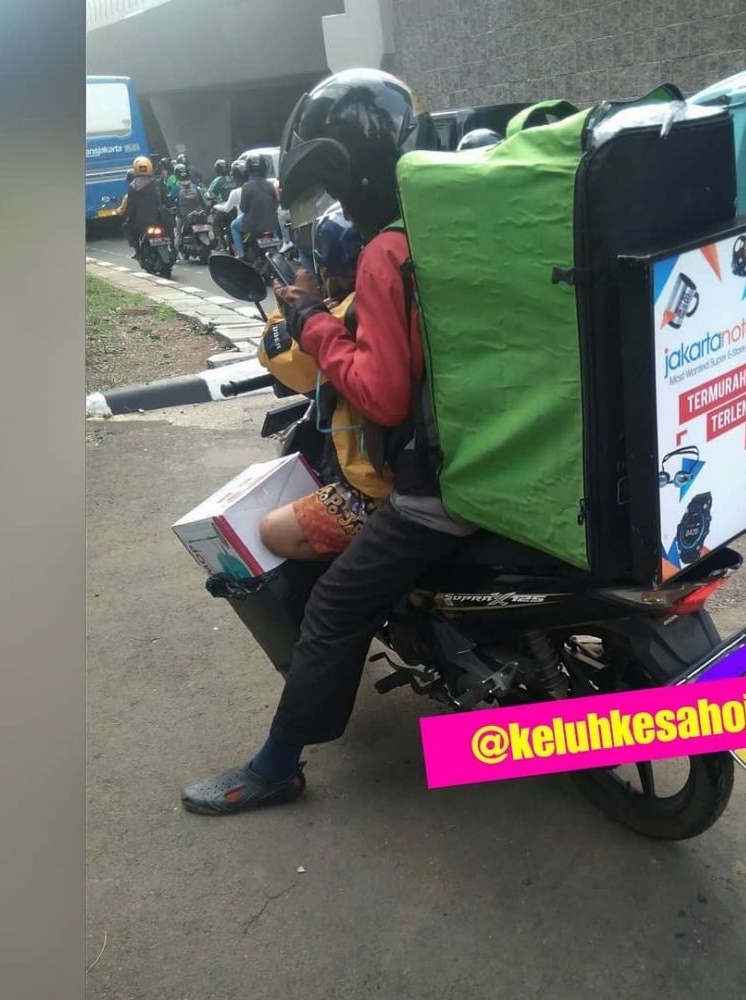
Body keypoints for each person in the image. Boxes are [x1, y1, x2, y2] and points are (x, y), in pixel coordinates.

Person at [180, 68, 474, 816]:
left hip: (434, 488)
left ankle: (277, 766)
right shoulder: (456, 227)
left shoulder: (386, 253)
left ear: (355, 166)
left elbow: (382, 394)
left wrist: (312, 319)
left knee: (335, 608)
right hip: (489, 453)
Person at [258, 206, 390, 562]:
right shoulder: (394, 292)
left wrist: (292, 307)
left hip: (378, 490)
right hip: (421, 473)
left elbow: (285, 361)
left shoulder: (346, 313)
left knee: (273, 530)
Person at [123, 155, 170, 257]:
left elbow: (131, 206)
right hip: (159, 218)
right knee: (170, 227)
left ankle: (138, 252)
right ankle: (174, 249)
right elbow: (166, 201)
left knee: (126, 227)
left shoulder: (133, 186)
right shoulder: (157, 183)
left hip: (141, 221)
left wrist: (128, 219)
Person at [236, 153, 280, 258]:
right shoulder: (270, 185)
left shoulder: (246, 186)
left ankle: (241, 254)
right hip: (271, 226)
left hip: (252, 228)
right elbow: (275, 204)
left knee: (235, 226)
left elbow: (243, 208)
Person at [211, 160, 246, 254]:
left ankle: (222, 245)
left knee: (217, 224)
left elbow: (211, 194)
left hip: (227, 207)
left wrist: (215, 206)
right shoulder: (253, 186)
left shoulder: (218, 181)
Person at [173, 164, 208, 251]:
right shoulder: (195, 187)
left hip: (183, 216)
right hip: (199, 213)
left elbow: (169, 199)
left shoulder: (176, 188)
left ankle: (177, 247)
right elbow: (202, 200)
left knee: (178, 232)